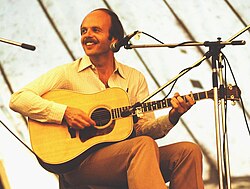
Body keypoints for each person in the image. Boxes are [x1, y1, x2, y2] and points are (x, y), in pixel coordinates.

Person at [9, 8, 204, 189]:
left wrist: (173, 116)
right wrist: (65, 113)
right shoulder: (68, 73)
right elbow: (18, 99)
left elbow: (144, 129)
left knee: (188, 151)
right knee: (143, 145)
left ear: (114, 39)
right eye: (83, 31)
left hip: (126, 156)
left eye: (95, 30)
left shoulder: (134, 78)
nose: (87, 35)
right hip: (80, 163)